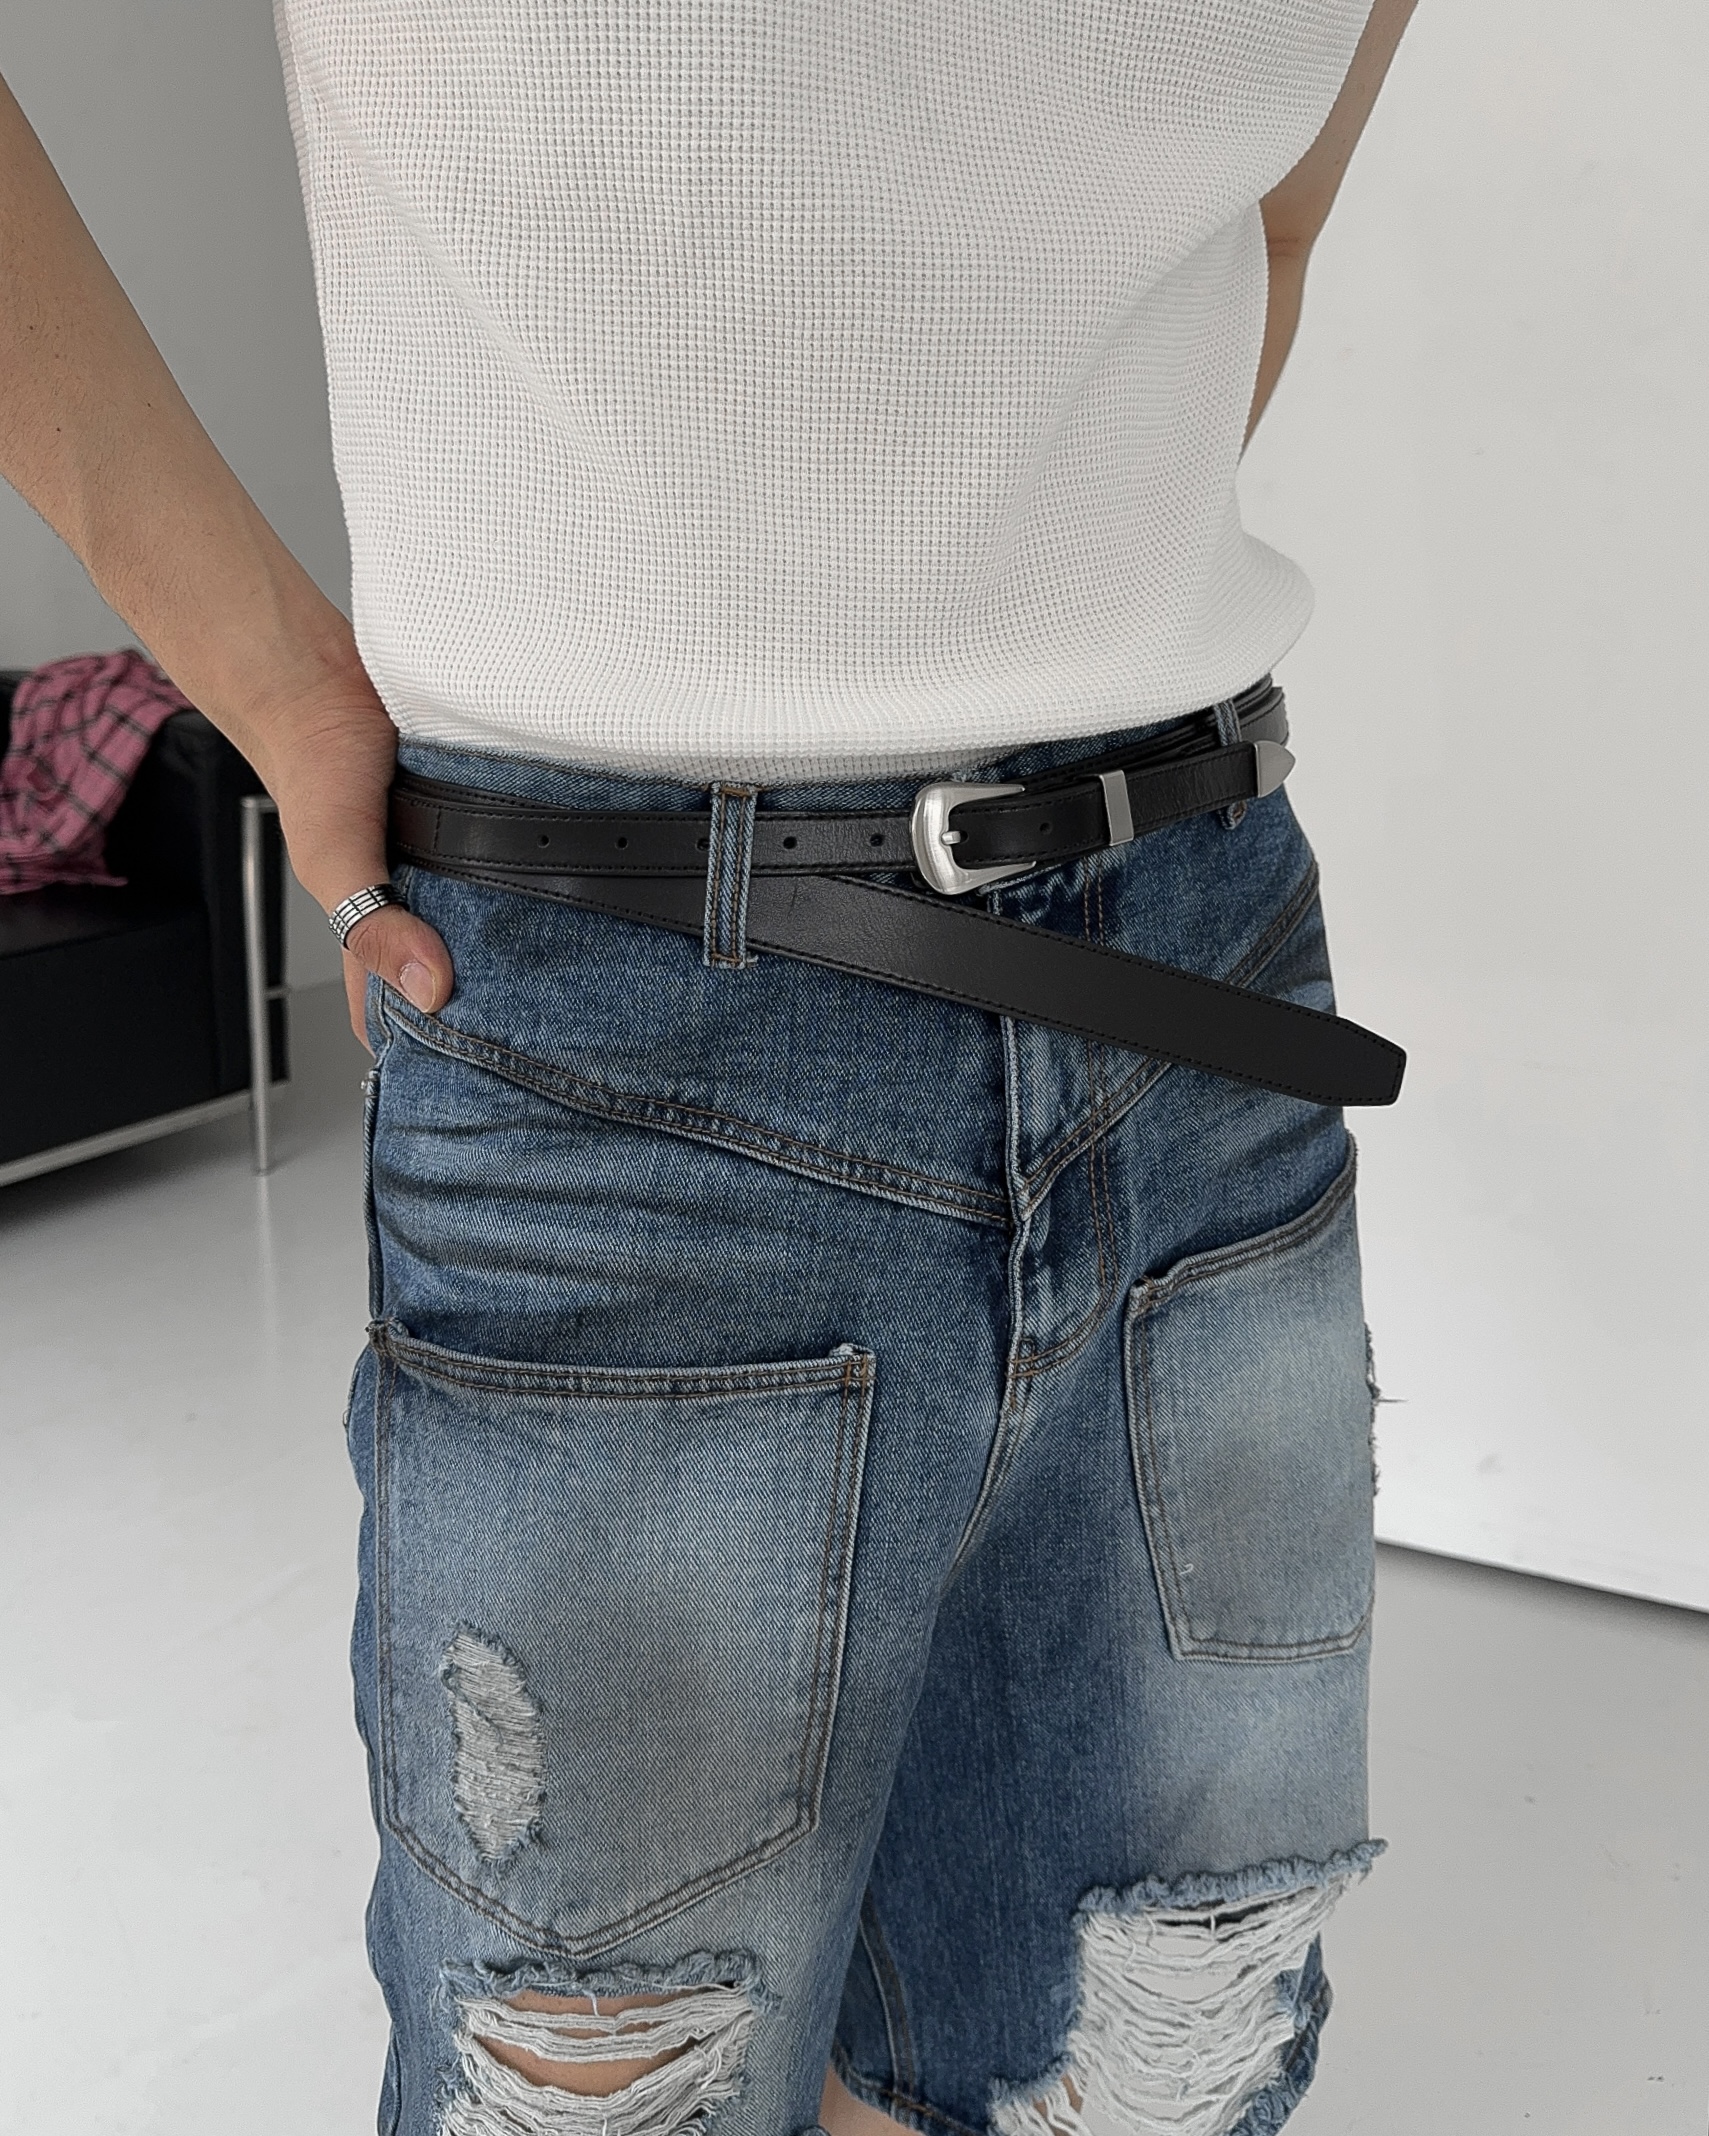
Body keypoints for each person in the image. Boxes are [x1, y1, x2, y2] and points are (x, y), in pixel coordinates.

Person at [0, 3, 1417, 2130]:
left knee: (1149, 2053)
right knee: (610, 2083)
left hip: (1196, 976)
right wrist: (278, 680)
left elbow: (1250, 247)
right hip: (621, 1002)